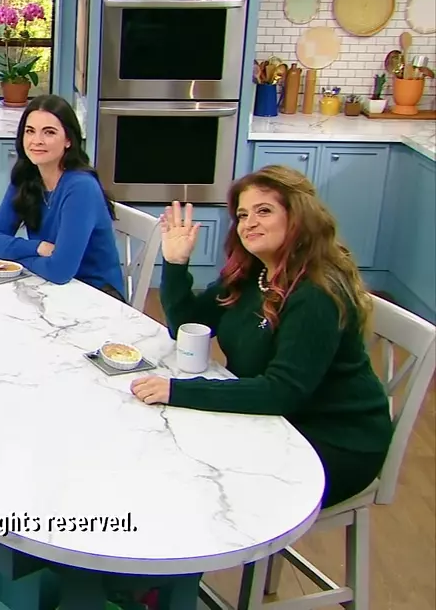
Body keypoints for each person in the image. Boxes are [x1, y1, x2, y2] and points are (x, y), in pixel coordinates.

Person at [131, 166, 394, 509]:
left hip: (333, 438)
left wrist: (175, 390)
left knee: (199, 485)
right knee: (173, 456)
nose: (249, 223)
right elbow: (188, 327)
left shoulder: (315, 294)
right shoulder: (252, 274)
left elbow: (281, 392)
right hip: (275, 418)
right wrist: (175, 263)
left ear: (297, 216)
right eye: (242, 215)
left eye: (264, 211)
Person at [0, 94, 125, 300]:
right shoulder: (26, 177)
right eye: (30, 131)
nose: (37, 141)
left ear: (68, 140)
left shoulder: (81, 187)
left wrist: (17, 260)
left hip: (97, 296)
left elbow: (59, 270)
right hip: (48, 286)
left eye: (49, 132)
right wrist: (38, 247)